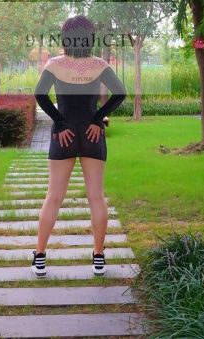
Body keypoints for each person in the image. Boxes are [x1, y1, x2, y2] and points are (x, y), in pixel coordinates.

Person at [31, 15, 126, 277]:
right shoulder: (99, 65)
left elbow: (40, 95)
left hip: (64, 135)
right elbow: (120, 93)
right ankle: (99, 256)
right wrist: (97, 119)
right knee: (96, 197)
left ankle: (39, 256)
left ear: (66, 38)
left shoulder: (55, 64)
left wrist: (60, 123)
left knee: (53, 197)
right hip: (92, 135)